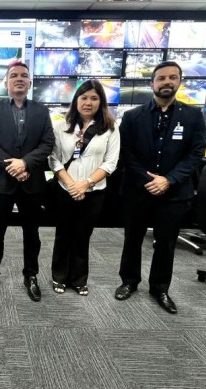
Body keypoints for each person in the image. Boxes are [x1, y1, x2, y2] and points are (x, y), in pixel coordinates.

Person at [115, 60, 206, 314]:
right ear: (152, 83)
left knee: (166, 244)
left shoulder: (193, 116)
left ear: (179, 82)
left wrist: (169, 179)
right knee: (132, 239)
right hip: (138, 190)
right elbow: (125, 153)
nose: (167, 82)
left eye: (172, 77)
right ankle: (129, 281)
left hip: (174, 192)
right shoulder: (133, 116)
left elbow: (196, 153)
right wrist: (148, 180)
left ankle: (160, 288)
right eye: (162, 78)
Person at [0, 61, 55, 302]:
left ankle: (31, 275)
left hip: (31, 183)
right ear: (7, 82)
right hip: (0, 182)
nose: (19, 79)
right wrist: (14, 166)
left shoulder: (41, 111)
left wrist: (25, 163)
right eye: (14, 76)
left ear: (30, 82)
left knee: (32, 233)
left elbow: (47, 143)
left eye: (24, 75)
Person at [48, 79, 120, 296]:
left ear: (101, 102)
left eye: (94, 98)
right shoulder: (61, 127)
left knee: (82, 236)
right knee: (63, 234)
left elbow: (110, 162)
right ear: (76, 100)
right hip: (65, 190)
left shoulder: (110, 128)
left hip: (93, 191)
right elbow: (53, 159)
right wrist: (71, 185)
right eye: (84, 97)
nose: (88, 102)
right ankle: (59, 276)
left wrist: (86, 184)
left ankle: (79, 279)